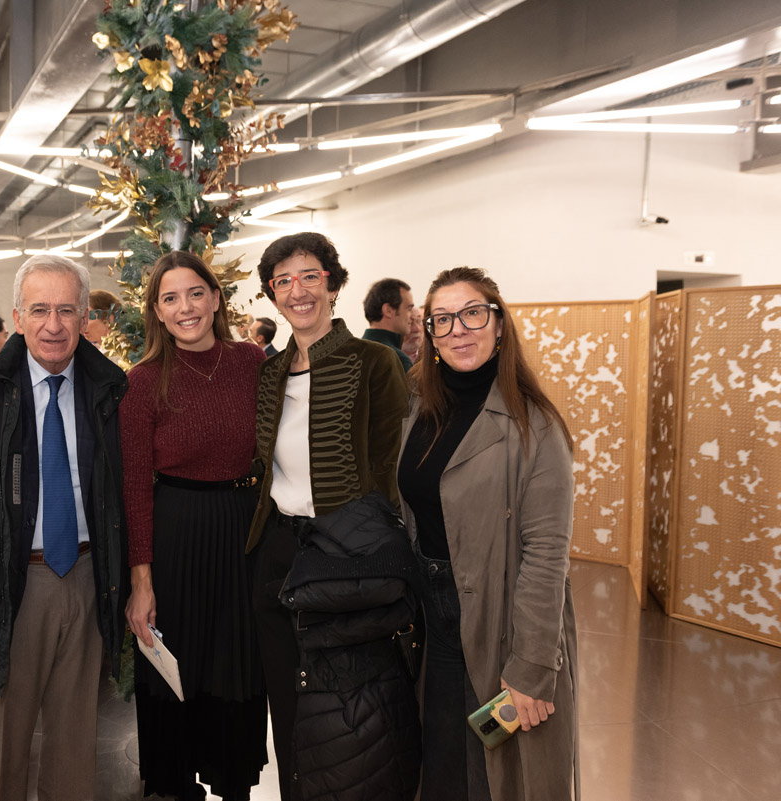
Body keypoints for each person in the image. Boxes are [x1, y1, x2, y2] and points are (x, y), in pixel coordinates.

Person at [0, 254, 128, 801]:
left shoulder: (110, 392)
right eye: (39, 310)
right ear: (16, 317)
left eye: (66, 310)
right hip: (6, 586)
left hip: (87, 579)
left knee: (76, 743)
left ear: (84, 317)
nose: (53, 325)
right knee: (1, 745)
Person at [247, 232, 418, 801]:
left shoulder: (375, 362)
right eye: (283, 281)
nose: (297, 291)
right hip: (278, 554)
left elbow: (389, 469)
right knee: (287, 710)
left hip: (346, 560)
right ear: (272, 294)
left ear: (334, 284)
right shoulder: (269, 373)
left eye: (310, 276)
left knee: (348, 719)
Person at [398, 266, 578, 801]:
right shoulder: (418, 409)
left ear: (499, 325)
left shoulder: (534, 426)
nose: (458, 329)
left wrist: (532, 666)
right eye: (443, 319)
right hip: (433, 621)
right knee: (442, 764)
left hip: (501, 622)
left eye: (473, 314)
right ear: (429, 335)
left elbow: (546, 554)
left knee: (494, 772)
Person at [121, 251, 268, 800]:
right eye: (170, 298)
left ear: (216, 298)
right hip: (175, 535)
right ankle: (177, 785)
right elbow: (135, 487)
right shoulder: (142, 381)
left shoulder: (251, 361)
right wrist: (141, 583)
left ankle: (233, 781)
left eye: (195, 293)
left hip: (243, 535)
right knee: (176, 669)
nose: (185, 307)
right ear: (157, 312)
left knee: (237, 663)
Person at [362, 278, 417, 371]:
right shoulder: (398, 359)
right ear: (388, 310)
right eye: (409, 309)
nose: (412, 316)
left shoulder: (353, 354)